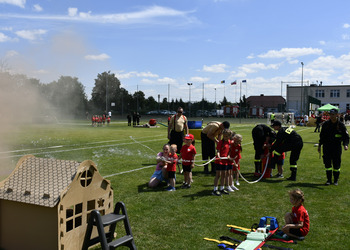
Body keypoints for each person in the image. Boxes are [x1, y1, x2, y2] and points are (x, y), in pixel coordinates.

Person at [318, 108, 349, 185]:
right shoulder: (326, 124)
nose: (332, 116)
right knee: (327, 165)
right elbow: (322, 136)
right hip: (327, 147)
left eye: (333, 114)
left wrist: (345, 145)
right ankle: (329, 180)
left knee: (336, 165)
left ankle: (335, 180)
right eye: (330, 115)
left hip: (336, 147)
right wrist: (319, 145)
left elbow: (346, 136)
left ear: (337, 115)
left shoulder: (341, 125)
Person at [212, 129, 232, 196]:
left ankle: (222, 188)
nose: (225, 137)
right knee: (218, 175)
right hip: (219, 161)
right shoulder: (221, 142)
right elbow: (218, 150)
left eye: (226, 136)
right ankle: (215, 189)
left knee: (224, 175)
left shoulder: (229, 142)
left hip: (225, 161)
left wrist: (228, 156)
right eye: (224, 136)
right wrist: (219, 156)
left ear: (229, 136)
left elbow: (229, 151)